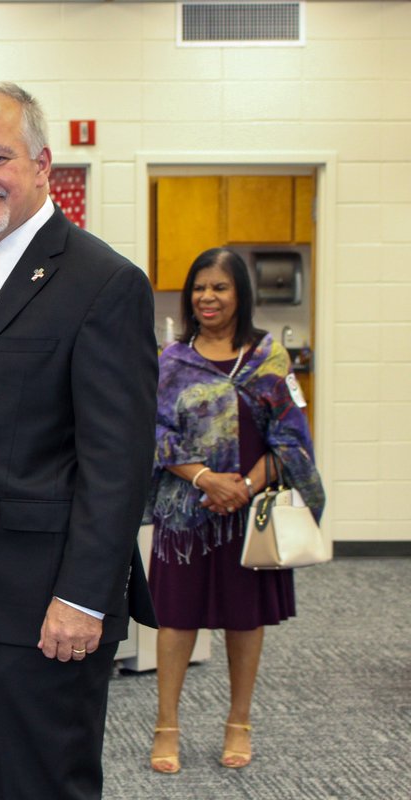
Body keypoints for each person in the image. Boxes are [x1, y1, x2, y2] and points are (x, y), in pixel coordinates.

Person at [0, 81, 158, 800]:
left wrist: (83, 597)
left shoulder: (102, 282)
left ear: (44, 164)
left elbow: (116, 463)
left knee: (44, 787)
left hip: (47, 603)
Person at [147, 247, 324, 774]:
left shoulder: (268, 359)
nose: (208, 297)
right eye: (200, 287)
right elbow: (153, 434)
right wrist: (204, 477)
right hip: (185, 518)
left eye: (220, 287)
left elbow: (291, 441)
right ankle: (166, 726)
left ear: (239, 294)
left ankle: (239, 723)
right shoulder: (170, 362)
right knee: (175, 620)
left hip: (252, 515)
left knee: (245, 620)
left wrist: (242, 486)